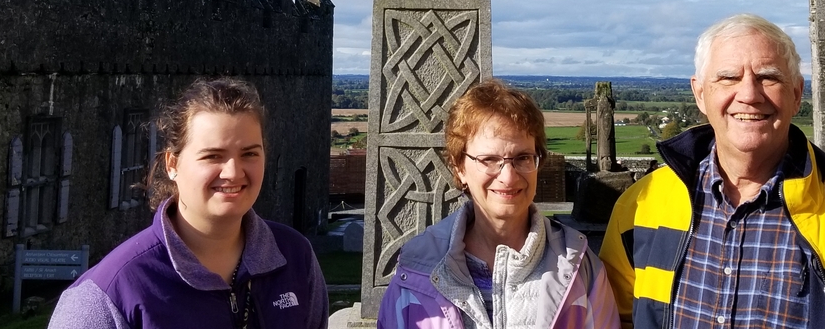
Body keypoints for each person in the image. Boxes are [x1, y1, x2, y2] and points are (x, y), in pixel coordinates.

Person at [600, 14, 825, 329]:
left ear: (796, 94)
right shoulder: (641, 206)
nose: (749, 95)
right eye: (728, 78)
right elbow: (613, 320)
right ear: (700, 93)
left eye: (768, 77)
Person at [49, 77, 328, 329]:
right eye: (212, 156)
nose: (233, 172)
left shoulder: (294, 257)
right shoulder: (110, 294)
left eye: (249, 154)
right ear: (173, 164)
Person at [378, 79, 620, 329]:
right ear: (459, 167)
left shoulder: (581, 267)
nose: (508, 176)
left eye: (523, 157)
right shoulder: (416, 268)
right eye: (489, 159)